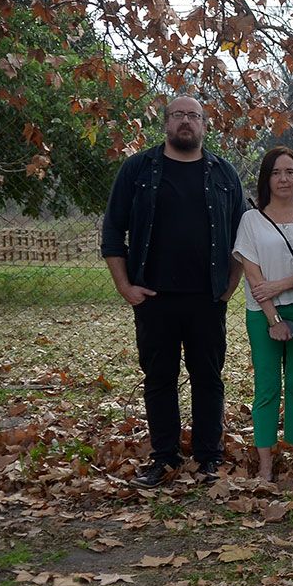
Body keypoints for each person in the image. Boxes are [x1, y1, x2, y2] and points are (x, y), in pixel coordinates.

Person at [102, 95, 245, 488]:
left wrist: (228, 288)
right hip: (153, 296)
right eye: (179, 115)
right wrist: (125, 287)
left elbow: (242, 236)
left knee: (208, 378)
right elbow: (113, 231)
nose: (186, 122)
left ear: (203, 125)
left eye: (194, 116)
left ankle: (208, 458)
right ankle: (163, 459)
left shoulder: (223, 173)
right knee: (159, 378)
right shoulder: (138, 169)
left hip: (207, 298)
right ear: (165, 123)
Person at [232, 146, 293, 482]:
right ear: (266, 178)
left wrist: (282, 284)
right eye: (276, 172)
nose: (284, 179)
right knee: (267, 387)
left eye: (290, 172)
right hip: (262, 314)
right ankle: (266, 464)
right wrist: (274, 319)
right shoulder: (251, 220)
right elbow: (254, 276)